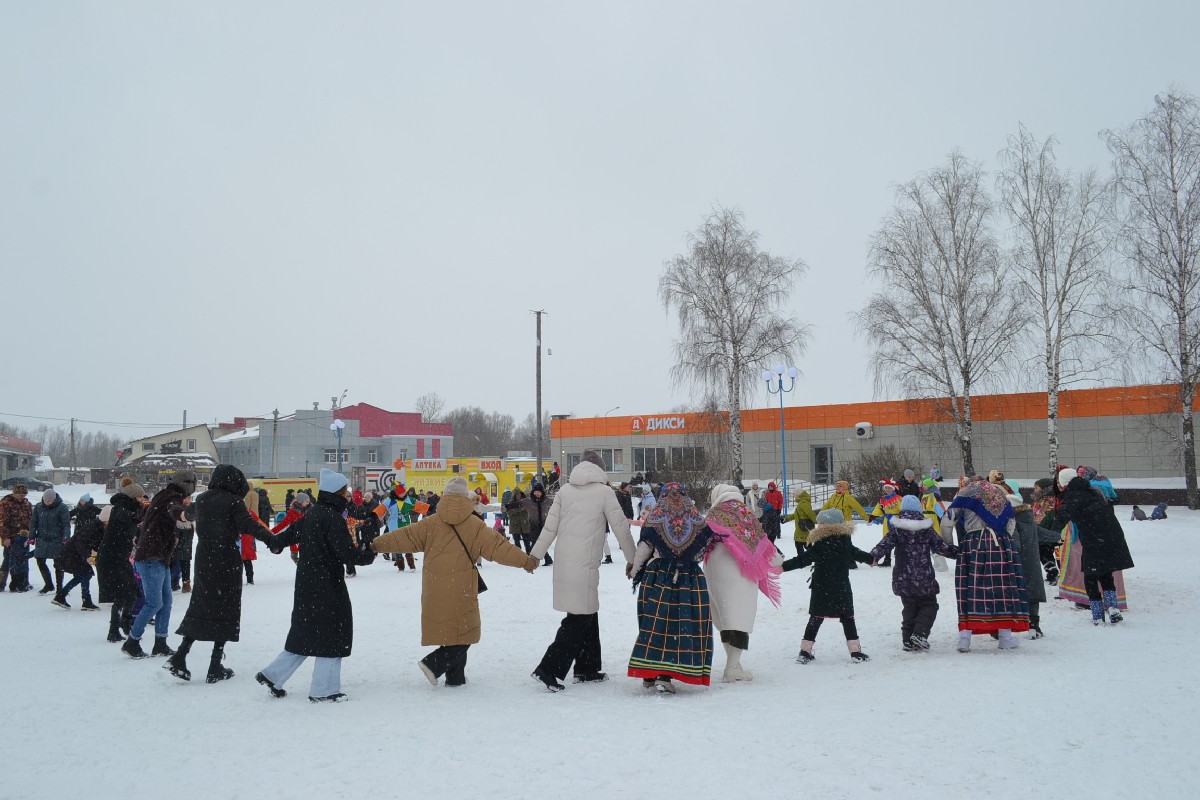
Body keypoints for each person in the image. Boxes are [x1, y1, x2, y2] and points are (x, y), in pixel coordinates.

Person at [371, 477, 537, 687]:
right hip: (463, 585)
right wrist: (525, 561)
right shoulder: (475, 525)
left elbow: (403, 537)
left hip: (435, 584)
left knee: (449, 630)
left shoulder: (430, 523)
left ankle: (455, 678)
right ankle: (434, 664)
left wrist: (375, 544)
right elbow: (499, 548)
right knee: (464, 631)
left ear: (445, 496)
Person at [257, 469, 377, 702]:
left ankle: (273, 675)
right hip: (327, 585)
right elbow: (346, 554)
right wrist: (368, 553)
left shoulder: (313, 514)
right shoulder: (333, 518)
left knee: (306, 631)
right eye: (346, 492)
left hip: (306, 582)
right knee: (333, 632)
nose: (348, 496)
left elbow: (290, 534)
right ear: (337, 493)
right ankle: (324, 689)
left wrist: (275, 542)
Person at [529, 451, 636, 692]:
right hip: (584, 564)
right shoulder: (605, 492)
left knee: (588, 611)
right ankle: (548, 668)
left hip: (565, 562)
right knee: (579, 617)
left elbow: (549, 528)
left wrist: (536, 555)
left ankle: (587, 667)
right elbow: (621, 529)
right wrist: (634, 561)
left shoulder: (565, 491)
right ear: (600, 469)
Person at [167, 464, 274, 684]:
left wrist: (177, 509)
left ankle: (180, 656)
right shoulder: (233, 502)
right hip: (226, 559)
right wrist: (272, 540)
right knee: (226, 606)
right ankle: (215, 665)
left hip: (204, 557)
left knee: (201, 603)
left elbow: (186, 514)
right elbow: (249, 525)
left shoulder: (204, 499)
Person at [627, 483, 714, 693]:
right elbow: (700, 552)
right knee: (679, 625)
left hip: (657, 576)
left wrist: (634, 571)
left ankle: (650, 672)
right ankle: (665, 675)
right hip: (689, 580)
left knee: (653, 623)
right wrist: (684, 555)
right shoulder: (696, 521)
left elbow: (644, 548)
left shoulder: (655, 518)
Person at [703, 484, 782, 682]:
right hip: (740, 571)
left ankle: (734, 665)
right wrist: (777, 563)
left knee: (724, 617)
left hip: (714, 567)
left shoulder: (713, 514)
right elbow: (759, 539)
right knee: (740, 618)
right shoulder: (745, 513)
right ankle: (731, 668)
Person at [943, 476, 1030, 652]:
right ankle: (1005, 637)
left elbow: (947, 520)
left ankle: (964, 639)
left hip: (973, 543)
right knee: (1003, 587)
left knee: (970, 587)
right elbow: (1011, 522)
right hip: (1001, 543)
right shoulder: (998, 494)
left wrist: (949, 544)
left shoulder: (965, 494)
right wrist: (1004, 539)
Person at [782, 508, 874, 664]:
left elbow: (803, 559)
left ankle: (805, 651)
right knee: (846, 618)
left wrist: (783, 567)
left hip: (822, 587)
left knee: (818, 618)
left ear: (832, 524)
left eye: (822, 523)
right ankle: (855, 652)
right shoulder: (844, 541)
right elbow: (855, 553)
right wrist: (870, 559)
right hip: (840, 586)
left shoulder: (821, 544)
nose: (819, 525)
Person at [869, 495, 958, 651]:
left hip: (903, 577)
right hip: (923, 576)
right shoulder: (927, 530)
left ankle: (908, 640)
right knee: (929, 605)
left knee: (909, 607)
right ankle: (919, 634)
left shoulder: (896, 530)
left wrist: (873, 556)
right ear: (919, 510)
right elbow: (942, 547)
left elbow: (884, 545)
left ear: (902, 510)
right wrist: (960, 552)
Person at [122, 471, 194, 659]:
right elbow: (174, 509)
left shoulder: (165, 495)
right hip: (150, 556)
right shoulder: (170, 498)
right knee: (154, 603)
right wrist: (185, 515)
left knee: (166, 602)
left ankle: (160, 643)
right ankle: (132, 641)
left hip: (159, 556)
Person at [1056, 468, 1135, 625]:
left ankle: (1098, 615)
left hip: (1094, 539)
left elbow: (1062, 517)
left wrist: (1050, 534)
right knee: (1105, 572)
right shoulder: (1091, 490)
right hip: (1111, 535)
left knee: (1091, 576)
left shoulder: (1074, 495)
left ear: (1064, 483)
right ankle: (1113, 607)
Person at [1003, 480, 1060, 638]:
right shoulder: (1029, 520)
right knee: (1032, 595)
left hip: (1018, 563)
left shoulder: (1012, 523)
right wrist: (1058, 536)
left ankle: (1014, 624)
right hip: (1033, 564)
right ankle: (1034, 626)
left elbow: (1015, 544)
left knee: (1016, 594)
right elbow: (1044, 534)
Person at [97, 477, 145, 642]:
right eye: (140, 497)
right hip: (112, 557)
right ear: (132, 497)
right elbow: (131, 519)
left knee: (132, 592)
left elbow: (135, 524)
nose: (142, 500)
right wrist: (142, 511)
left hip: (120, 556)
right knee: (122, 594)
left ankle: (125, 623)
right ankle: (114, 630)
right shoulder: (121, 509)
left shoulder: (126, 508)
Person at [55, 493, 103, 610]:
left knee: (82, 575)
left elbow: (94, 543)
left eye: (82, 500)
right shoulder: (92, 527)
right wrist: (87, 555)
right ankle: (83, 601)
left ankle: (63, 596)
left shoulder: (93, 511)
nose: (80, 501)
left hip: (78, 549)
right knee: (85, 574)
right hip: (77, 552)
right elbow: (81, 542)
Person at [31, 487, 70, 595]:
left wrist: (66, 538)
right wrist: (31, 537)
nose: (47, 502)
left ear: (54, 499)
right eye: (45, 500)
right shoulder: (38, 507)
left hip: (56, 539)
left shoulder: (62, 507)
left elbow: (66, 524)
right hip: (42, 538)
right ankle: (48, 584)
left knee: (58, 564)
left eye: (50, 500)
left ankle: (59, 588)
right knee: (40, 560)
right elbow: (33, 523)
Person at [0, 484, 34, 592]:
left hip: (24, 537)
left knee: (23, 560)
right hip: (11, 537)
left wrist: (31, 534)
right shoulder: (5, 503)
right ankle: (1, 583)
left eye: (23, 494)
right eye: (19, 494)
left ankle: (23, 582)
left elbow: (31, 520)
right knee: (8, 560)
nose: (21, 496)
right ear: (14, 493)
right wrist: (5, 537)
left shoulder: (27, 504)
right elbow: (2, 522)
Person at [868, 479, 904, 567]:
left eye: (889, 488)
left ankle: (901, 559)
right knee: (886, 539)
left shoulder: (898, 498)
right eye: (886, 488)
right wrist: (873, 516)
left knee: (899, 539)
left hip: (896, 519)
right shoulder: (882, 499)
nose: (887, 489)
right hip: (887, 520)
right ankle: (887, 559)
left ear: (893, 489)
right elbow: (878, 508)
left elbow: (903, 508)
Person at [524, 482, 554, 567]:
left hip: (543, 526)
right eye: (535, 492)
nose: (536, 494)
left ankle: (531, 561)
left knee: (536, 545)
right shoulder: (530, 501)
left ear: (541, 492)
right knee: (536, 544)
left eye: (538, 492)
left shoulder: (547, 501)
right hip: (533, 526)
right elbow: (519, 503)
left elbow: (556, 506)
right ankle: (547, 559)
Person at [171, 496, 195, 592]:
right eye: (185, 498)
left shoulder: (192, 509)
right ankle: (174, 583)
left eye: (189, 498)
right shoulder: (177, 509)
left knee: (185, 562)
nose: (187, 501)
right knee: (175, 562)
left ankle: (186, 583)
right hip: (178, 538)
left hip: (187, 538)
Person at [791, 490, 817, 556]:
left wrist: (818, 521)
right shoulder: (801, 503)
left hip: (803, 528)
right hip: (802, 528)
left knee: (800, 545)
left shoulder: (803, 503)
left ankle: (803, 560)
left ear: (799, 496)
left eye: (795, 495)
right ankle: (810, 558)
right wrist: (786, 519)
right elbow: (795, 514)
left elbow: (810, 514)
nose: (795, 497)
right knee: (807, 546)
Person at [505, 488, 531, 553]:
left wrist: (525, 508)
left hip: (524, 525)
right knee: (517, 544)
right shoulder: (510, 503)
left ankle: (529, 558)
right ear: (514, 495)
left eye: (519, 494)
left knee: (527, 543)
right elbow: (509, 513)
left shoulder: (525, 502)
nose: (519, 496)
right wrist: (519, 509)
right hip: (515, 525)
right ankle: (519, 558)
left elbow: (530, 511)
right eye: (517, 494)